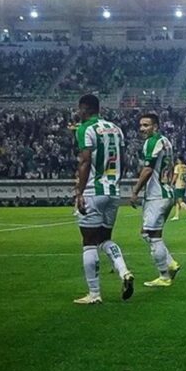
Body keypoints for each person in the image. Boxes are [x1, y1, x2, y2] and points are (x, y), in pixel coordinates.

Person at [72, 94, 133, 305]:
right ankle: (124, 272)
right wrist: (115, 182)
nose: (78, 113)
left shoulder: (85, 129)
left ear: (85, 108)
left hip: (92, 192)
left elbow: (85, 161)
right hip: (113, 192)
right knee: (105, 239)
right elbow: (124, 161)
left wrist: (79, 192)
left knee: (89, 243)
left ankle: (94, 293)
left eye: (79, 109)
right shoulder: (116, 129)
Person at [129, 113, 182, 288]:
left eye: (146, 125)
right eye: (141, 125)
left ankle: (164, 275)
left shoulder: (152, 142)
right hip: (166, 192)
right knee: (146, 233)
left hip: (156, 195)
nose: (142, 129)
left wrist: (135, 191)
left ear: (156, 126)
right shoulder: (166, 141)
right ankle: (171, 263)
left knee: (153, 236)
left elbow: (148, 170)